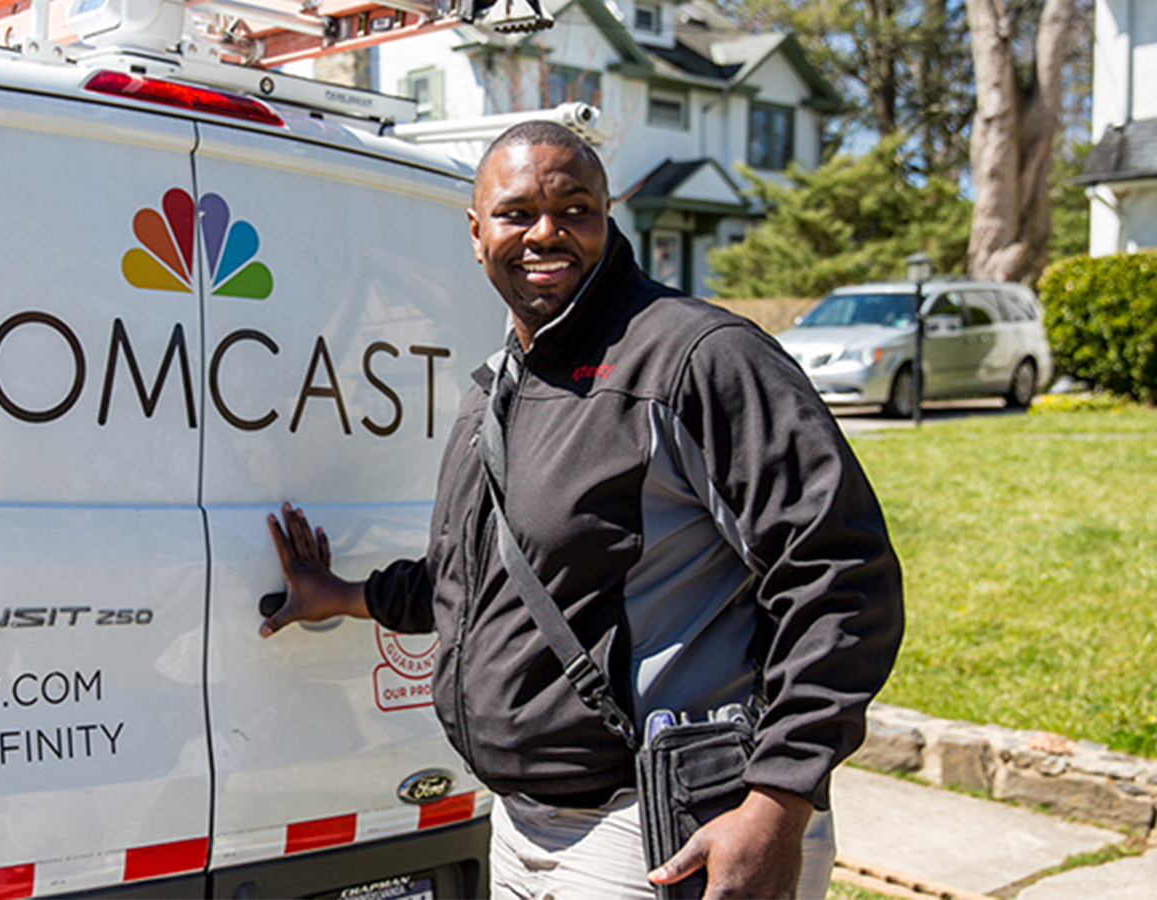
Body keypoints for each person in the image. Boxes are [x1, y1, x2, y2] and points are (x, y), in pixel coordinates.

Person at [260, 121, 903, 899]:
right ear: (475, 232)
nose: (545, 233)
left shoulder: (695, 359)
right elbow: (476, 577)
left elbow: (841, 573)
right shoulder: (497, 389)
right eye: (517, 212)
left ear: (608, 216)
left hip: (660, 829)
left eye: (575, 209)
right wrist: (346, 596)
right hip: (520, 826)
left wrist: (779, 798)